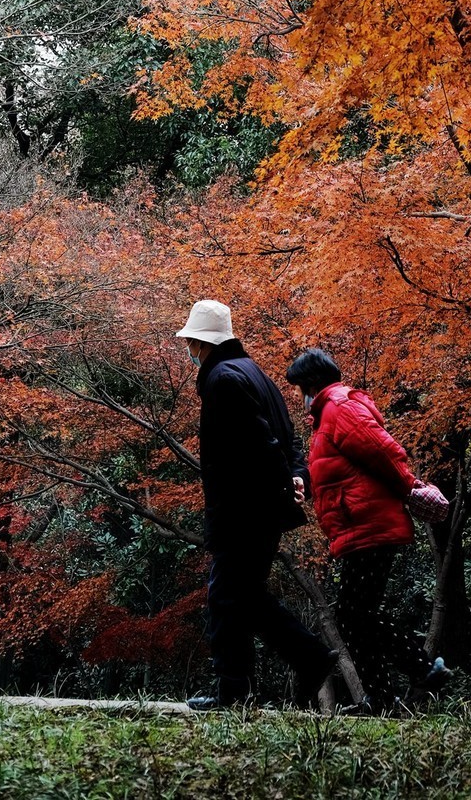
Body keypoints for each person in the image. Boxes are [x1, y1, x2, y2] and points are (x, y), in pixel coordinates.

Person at [176, 299, 336, 711]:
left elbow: (260, 442)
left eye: (191, 342)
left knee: (227, 597)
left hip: (243, 509)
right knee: (244, 597)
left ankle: (238, 689)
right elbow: (287, 436)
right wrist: (297, 476)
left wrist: (286, 479)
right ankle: (299, 663)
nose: (190, 350)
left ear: (200, 343)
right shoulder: (255, 375)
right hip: (262, 507)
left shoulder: (223, 379)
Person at [285, 347, 447, 709]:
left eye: (299, 388)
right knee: (355, 614)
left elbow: (382, 450)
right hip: (358, 523)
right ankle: (381, 697)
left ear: (311, 382)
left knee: (354, 613)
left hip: (370, 522)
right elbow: (337, 469)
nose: (299, 397)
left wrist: (409, 487)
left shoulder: (340, 407)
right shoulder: (328, 413)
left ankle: (421, 668)